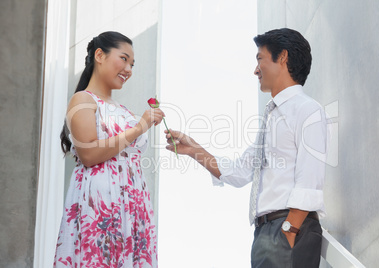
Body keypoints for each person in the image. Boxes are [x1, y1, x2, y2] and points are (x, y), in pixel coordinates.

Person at [165, 28, 329, 267]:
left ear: (282, 57)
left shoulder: (307, 110)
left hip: (287, 228)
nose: (255, 70)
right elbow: (240, 172)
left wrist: (288, 231)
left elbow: (310, 179)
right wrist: (193, 150)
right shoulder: (272, 116)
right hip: (266, 233)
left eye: (259, 59)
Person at [55, 31, 164, 268]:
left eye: (132, 64)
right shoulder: (83, 100)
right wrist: (139, 128)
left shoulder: (122, 109)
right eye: (124, 59)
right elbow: (89, 154)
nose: (129, 69)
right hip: (101, 208)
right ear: (100, 55)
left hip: (133, 208)